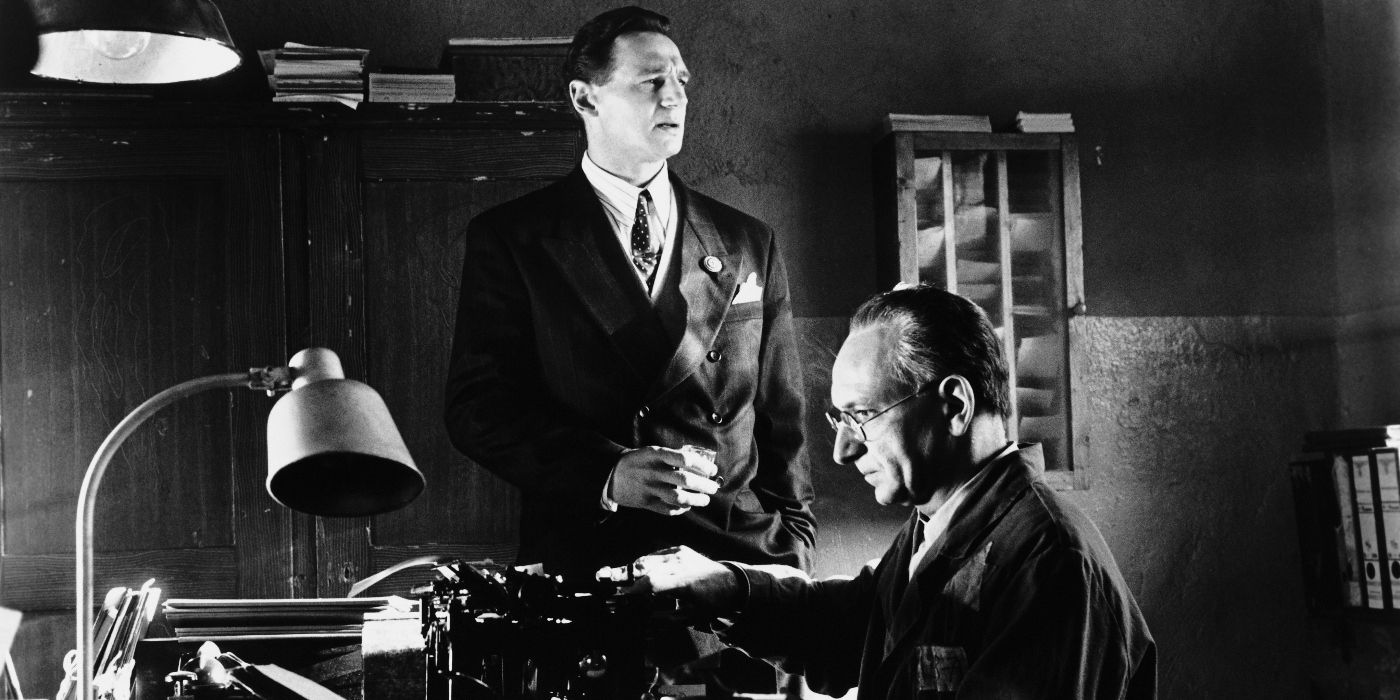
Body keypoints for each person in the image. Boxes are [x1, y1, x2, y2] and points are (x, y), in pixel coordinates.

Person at [443, 4, 814, 596]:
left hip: (737, 562)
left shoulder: (748, 241)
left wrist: (795, 545)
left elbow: (783, 418)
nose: (675, 98)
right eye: (651, 82)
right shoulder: (515, 238)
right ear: (585, 99)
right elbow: (477, 408)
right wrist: (608, 471)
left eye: (682, 82)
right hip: (593, 565)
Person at [635, 285, 1157, 699]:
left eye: (862, 416)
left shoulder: (1048, 565)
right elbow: (855, 627)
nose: (842, 451)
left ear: (954, 406)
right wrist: (727, 586)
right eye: (839, 418)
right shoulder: (941, 518)